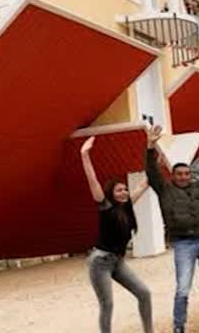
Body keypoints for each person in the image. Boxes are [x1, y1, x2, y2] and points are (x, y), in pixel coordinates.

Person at [145, 125, 199, 333]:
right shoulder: (164, 189)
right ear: (173, 175)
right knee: (183, 289)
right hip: (182, 243)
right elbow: (151, 172)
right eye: (180, 174)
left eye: (187, 173)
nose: (184, 177)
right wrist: (150, 146)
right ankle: (179, 327)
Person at [81, 135, 154, 333]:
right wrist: (84, 154)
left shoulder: (128, 206)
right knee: (108, 304)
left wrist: (157, 158)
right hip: (100, 262)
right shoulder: (105, 208)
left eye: (125, 189)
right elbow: (93, 180)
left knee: (144, 293)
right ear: (111, 193)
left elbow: (145, 183)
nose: (124, 192)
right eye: (119, 190)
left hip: (118, 261)